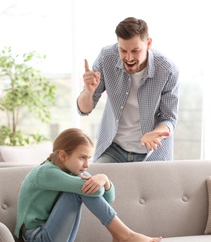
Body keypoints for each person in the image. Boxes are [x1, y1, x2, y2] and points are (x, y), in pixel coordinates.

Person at [14, 128, 162, 242]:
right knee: (81, 190)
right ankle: (124, 235)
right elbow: (95, 191)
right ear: (63, 155)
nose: (86, 165)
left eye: (88, 159)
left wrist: (104, 179)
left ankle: (122, 236)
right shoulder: (46, 172)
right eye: (82, 158)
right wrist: (99, 181)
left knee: (84, 187)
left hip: (55, 238)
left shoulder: (73, 172)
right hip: (39, 241)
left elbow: (109, 198)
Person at [77, 17, 180, 163]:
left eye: (135, 50)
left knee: (152, 186)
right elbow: (84, 109)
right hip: (112, 148)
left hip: (151, 153)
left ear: (148, 44)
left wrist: (155, 133)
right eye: (123, 50)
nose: (129, 57)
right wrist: (88, 92)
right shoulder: (106, 58)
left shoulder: (167, 70)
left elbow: (169, 118)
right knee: (95, 184)